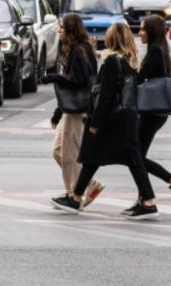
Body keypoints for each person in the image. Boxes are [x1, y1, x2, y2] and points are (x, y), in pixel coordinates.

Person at [50, 22, 159, 221]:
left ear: (113, 39)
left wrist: (95, 122)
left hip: (111, 120)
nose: (105, 37)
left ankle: (76, 198)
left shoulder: (111, 62)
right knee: (117, 159)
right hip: (127, 117)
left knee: (94, 156)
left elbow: (105, 95)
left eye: (108, 34)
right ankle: (147, 201)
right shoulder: (130, 62)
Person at [44, 13, 103, 206]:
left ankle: (72, 195)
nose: (59, 30)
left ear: (71, 30)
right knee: (58, 150)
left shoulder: (79, 50)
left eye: (62, 27)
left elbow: (78, 81)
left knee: (70, 153)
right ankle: (89, 184)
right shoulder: (77, 49)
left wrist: (53, 77)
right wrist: (58, 111)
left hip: (78, 109)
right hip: (70, 108)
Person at [133, 14, 171, 214]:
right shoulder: (159, 49)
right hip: (154, 112)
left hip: (151, 112)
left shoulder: (155, 51)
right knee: (137, 157)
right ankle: (144, 199)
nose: (140, 33)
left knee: (136, 157)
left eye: (143, 29)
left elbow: (139, 78)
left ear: (152, 31)